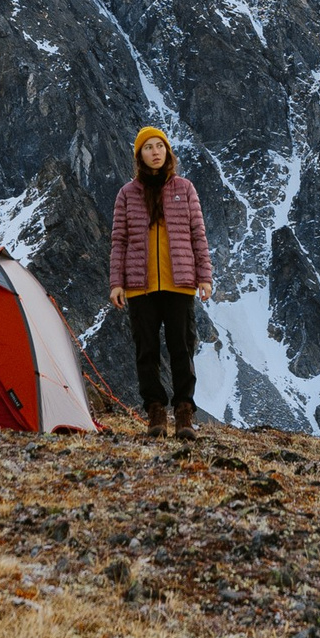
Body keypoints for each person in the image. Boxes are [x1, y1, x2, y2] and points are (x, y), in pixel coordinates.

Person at [108, 125, 212, 437]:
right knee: (146, 350)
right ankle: (155, 413)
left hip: (179, 283)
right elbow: (119, 241)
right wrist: (117, 282)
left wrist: (204, 277)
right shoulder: (127, 194)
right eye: (148, 147)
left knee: (181, 348)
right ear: (139, 155)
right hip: (140, 285)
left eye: (160, 146)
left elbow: (198, 236)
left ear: (168, 152)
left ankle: (184, 414)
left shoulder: (185, 189)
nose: (155, 152)